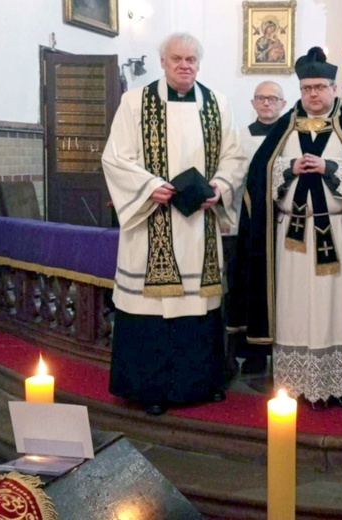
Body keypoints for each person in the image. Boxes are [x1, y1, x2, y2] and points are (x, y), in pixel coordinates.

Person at [231, 47, 342, 408]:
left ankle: (340, 383)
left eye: (320, 87)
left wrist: (332, 169)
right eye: (306, 88)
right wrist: (288, 169)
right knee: (294, 305)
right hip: (292, 238)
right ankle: (296, 382)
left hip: (339, 232)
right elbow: (260, 178)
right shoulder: (285, 127)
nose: (313, 94)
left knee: (334, 305)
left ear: (335, 88)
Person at [102, 33, 246, 416]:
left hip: (200, 224)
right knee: (155, 310)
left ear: (199, 63)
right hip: (153, 224)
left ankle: (204, 382)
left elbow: (235, 157)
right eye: (177, 58)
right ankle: (150, 388)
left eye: (192, 59)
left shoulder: (218, 104)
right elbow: (116, 158)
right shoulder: (135, 103)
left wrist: (220, 186)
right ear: (162, 61)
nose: (185, 65)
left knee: (199, 305)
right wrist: (150, 186)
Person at [232, 81, 287, 374]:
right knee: (252, 284)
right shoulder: (240, 138)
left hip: (286, 221)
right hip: (252, 223)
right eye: (262, 98)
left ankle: (284, 352)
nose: (267, 103)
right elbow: (232, 179)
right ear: (253, 103)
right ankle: (253, 351)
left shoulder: (292, 137)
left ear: (283, 103)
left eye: (273, 98)